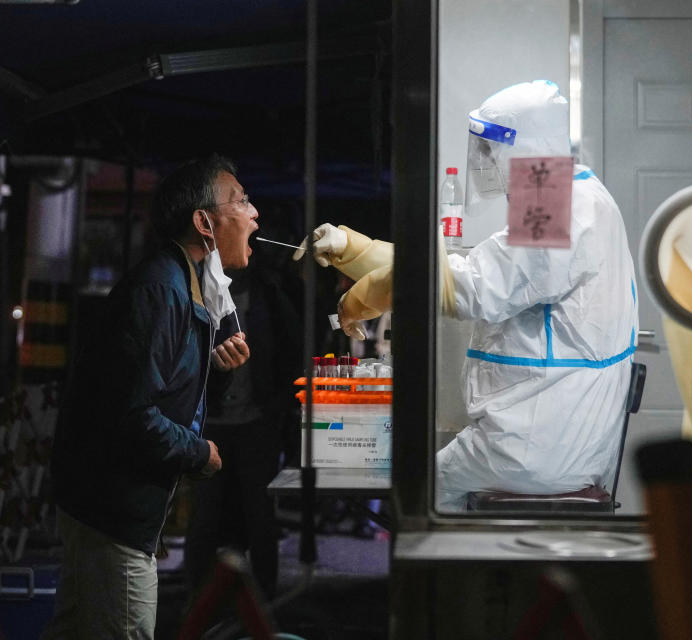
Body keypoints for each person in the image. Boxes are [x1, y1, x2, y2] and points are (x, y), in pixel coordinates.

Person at [296, 80, 638, 511]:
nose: (483, 160)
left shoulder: (560, 208)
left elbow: (467, 289)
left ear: (524, 144)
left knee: (414, 495)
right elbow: (462, 271)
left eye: (490, 147)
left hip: (536, 446)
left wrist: (365, 293)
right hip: (544, 433)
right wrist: (356, 249)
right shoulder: (578, 198)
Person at [44, 154, 257, 639]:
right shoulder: (162, 290)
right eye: (241, 200)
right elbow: (130, 414)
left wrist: (217, 373)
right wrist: (198, 451)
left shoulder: (187, 284)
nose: (253, 213)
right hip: (113, 509)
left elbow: (170, 395)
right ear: (204, 222)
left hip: (106, 503)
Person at [184, 248, 301, 602]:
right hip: (211, 421)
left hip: (256, 421)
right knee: (205, 514)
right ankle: (199, 602)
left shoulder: (269, 294)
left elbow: (290, 350)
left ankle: (263, 602)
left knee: (259, 514)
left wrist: (277, 405)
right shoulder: (196, 294)